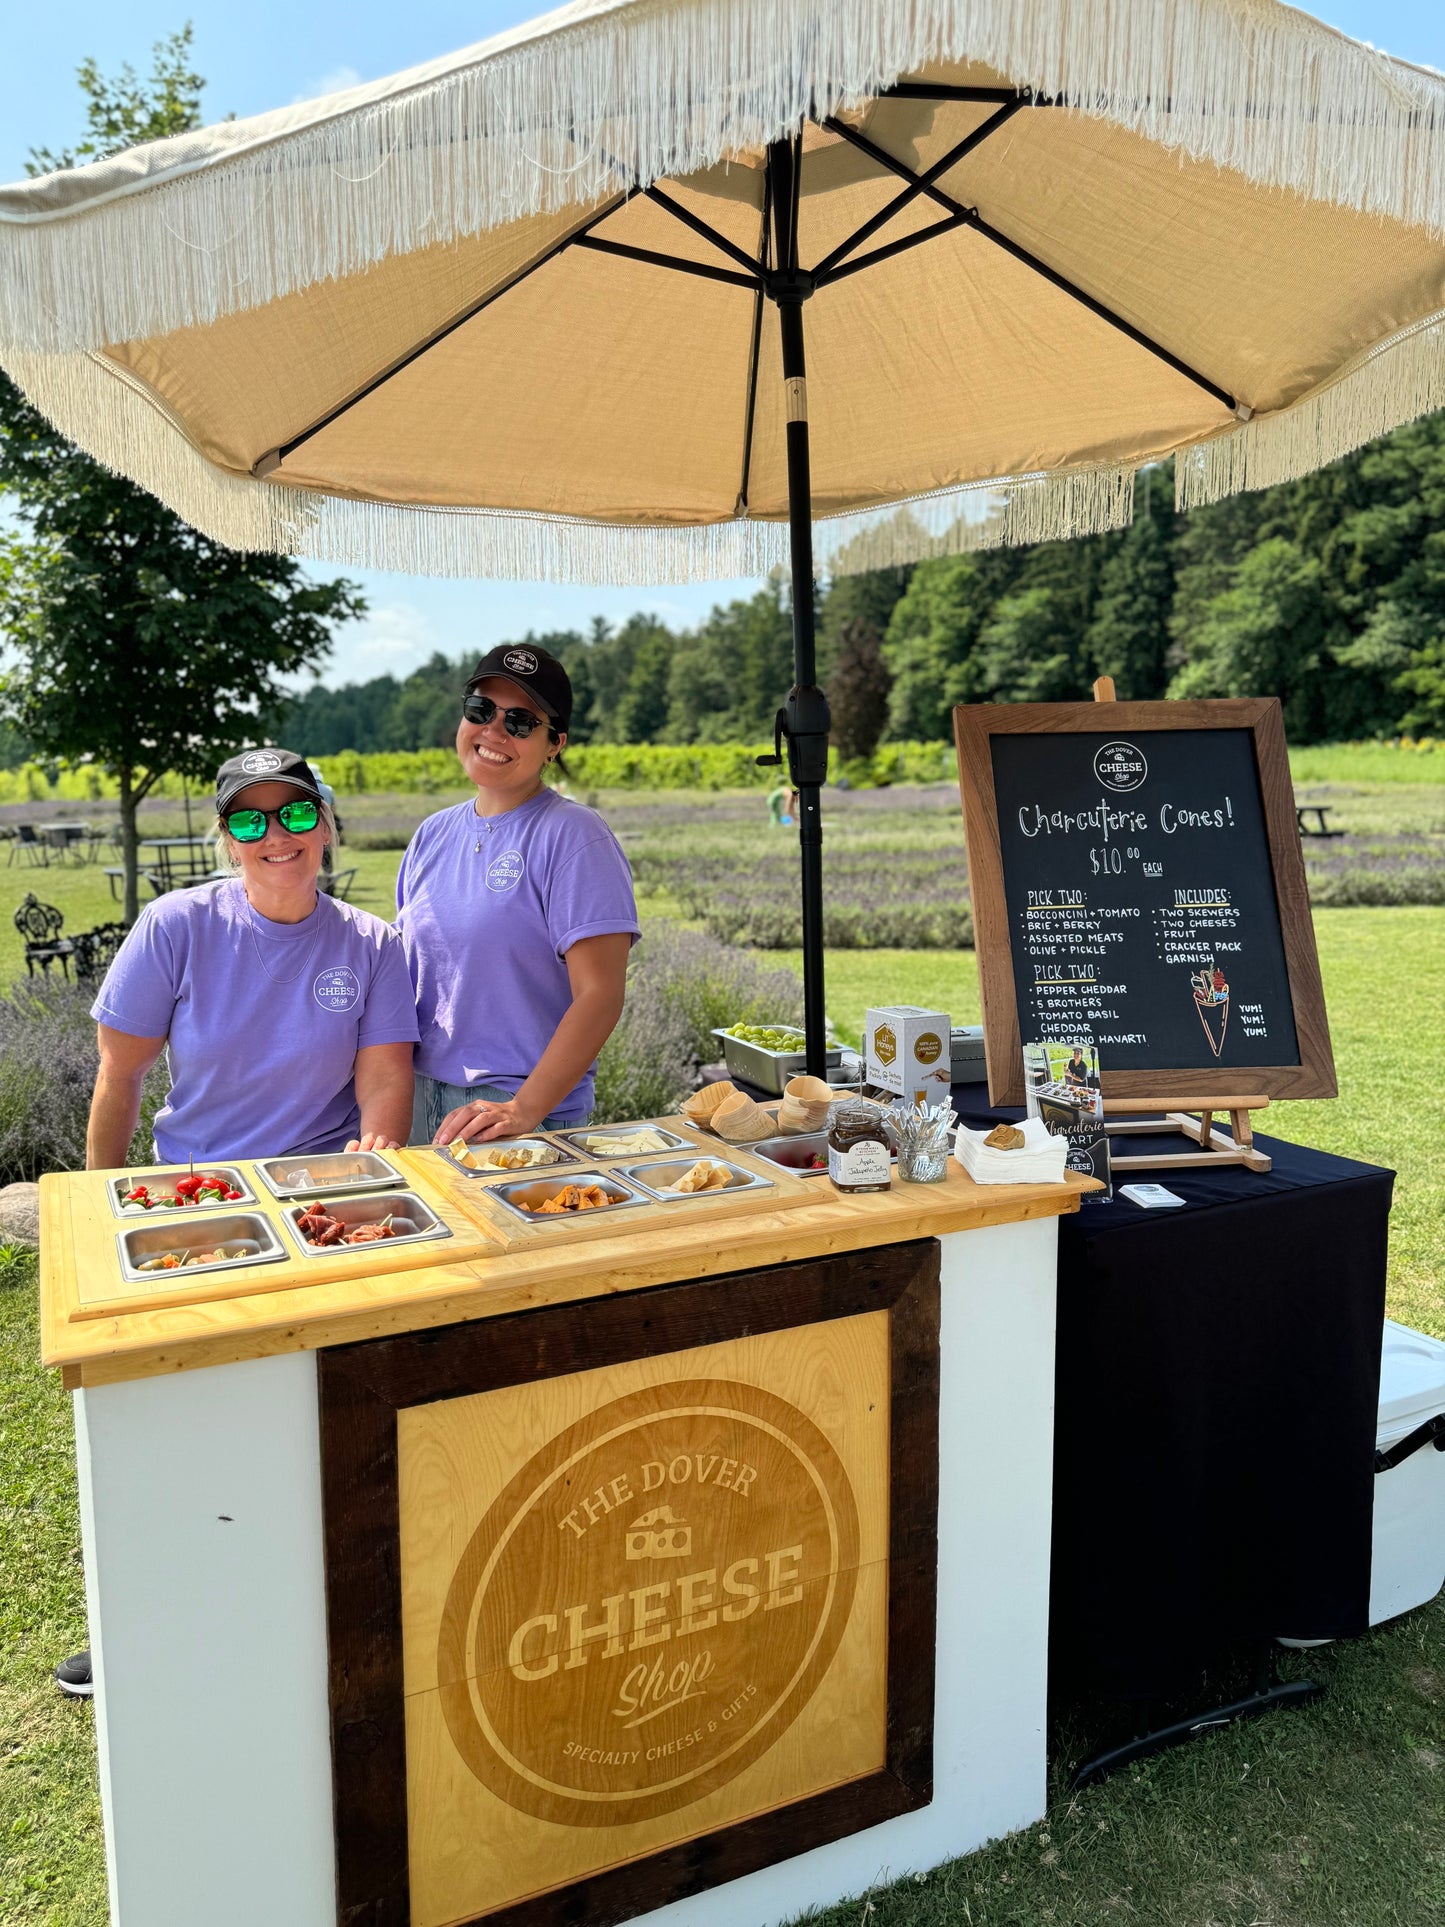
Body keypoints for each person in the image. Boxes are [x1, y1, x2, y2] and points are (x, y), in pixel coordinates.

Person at [54, 748, 418, 1700]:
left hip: (321, 1196)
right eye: (248, 822)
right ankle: (137, 1623)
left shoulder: (374, 946)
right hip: (198, 1197)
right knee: (165, 1411)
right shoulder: (177, 926)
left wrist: (367, 1179)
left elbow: (382, 1080)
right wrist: (106, 1209)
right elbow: (121, 1075)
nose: (275, 839)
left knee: (317, 1410)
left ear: (327, 825)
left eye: (292, 816)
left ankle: (305, 1606)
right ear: (225, 838)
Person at [396, 644, 639, 1149]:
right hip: (419, 1103)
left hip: (518, 1113)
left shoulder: (574, 835)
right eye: (481, 710)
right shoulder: (432, 834)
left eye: (522, 721)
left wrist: (523, 1108)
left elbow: (600, 994)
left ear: (555, 743)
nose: (494, 730)